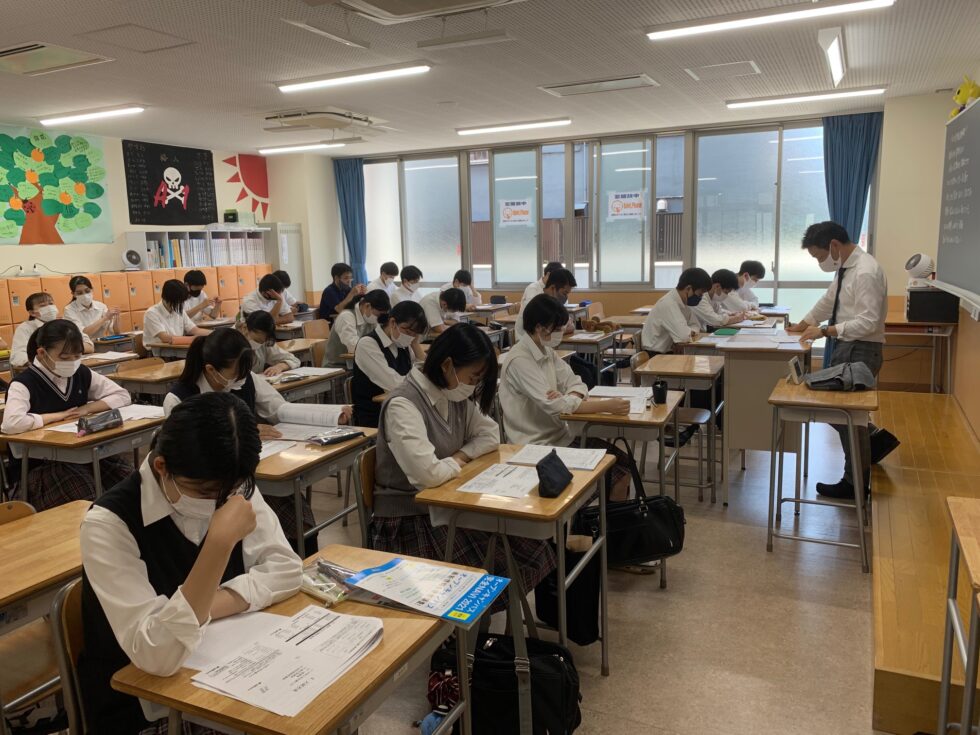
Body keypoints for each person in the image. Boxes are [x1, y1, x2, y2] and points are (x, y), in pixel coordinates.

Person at [78, 392, 302, 734]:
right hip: (142, 707)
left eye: (232, 491)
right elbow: (157, 654)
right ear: (162, 467)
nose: (219, 503)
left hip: (225, 671)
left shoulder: (228, 482)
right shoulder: (108, 524)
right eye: (205, 493)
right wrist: (218, 545)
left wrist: (201, 609)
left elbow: (286, 569)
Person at [371, 323, 555, 598]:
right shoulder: (403, 404)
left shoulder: (452, 392)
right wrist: (456, 463)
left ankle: (485, 623)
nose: (475, 385)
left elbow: (490, 434)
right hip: (410, 520)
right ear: (447, 365)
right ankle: (471, 623)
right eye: (474, 376)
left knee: (534, 549)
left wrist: (458, 456)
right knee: (503, 568)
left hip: (448, 504)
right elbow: (428, 475)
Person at [163, 329, 351, 545]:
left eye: (245, 372)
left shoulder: (245, 379)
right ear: (211, 370)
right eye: (236, 373)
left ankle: (301, 555)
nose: (241, 379)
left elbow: (278, 408)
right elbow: (186, 457)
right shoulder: (179, 399)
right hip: (212, 488)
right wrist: (242, 432)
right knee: (265, 530)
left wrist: (330, 414)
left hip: (258, 471)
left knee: (301, 523)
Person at [785, 221, 897, 498]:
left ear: (834, 245)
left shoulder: (866, 272)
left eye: (820, 256)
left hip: (862, 350)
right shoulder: (846, 268)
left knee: (847, 416)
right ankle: (872, 442)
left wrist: (825, 330)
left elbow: (869, 322)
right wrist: (803, 324)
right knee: (844, 415)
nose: (820, 262)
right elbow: (828, 301)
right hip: (848, 347)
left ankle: (854, 483)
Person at [500, 294, 634, 500]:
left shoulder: (546, 351)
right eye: (557, 327)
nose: (561, 332)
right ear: (540, 328)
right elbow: (555, 406)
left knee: (626, 462)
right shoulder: (520, 360)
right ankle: (594, 517)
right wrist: (606, 406)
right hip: (536, 446)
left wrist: (568, 397)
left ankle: (600, 515)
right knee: (618, 475)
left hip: (562, 436)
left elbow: (577, 382)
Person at [2, 319, 131, 509]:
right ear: (42, 353)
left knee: (131, 483)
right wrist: (57, 416)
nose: (71, 363)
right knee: (89, 499)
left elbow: (122, 395)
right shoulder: (24, 383)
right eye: (64, 357)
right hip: (41, 468)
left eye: (77, 356)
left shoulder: (80, 373)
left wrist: (86, 409)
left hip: (83, 454)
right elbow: (12, 424)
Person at [351, 301, 428, 427]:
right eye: (409, 332)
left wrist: (415, 344)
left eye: (416, 334)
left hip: (403, 408)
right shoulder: (368, 344)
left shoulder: (403, 343)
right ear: (392, 323)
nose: (411, 337)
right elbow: (395, 384)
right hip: (376, 415)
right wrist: (422, 381)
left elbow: (427, 371)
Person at [12, 292, 93, 367]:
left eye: (51, 304)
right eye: (43, 305)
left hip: (70, 366)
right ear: (32, 313)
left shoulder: (65, 324)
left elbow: (89, 346)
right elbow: (18, 357)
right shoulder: (25, 328)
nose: (49, 308)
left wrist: (64, 349)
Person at [640, 268, 710, 354]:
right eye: (700, 294)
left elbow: (695, 325)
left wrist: (685, 335)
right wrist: (684, 336)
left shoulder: (683, 302)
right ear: (688, 289)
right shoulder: (668, 304)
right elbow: (684, 337)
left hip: (669, 352)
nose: (700, 297)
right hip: (655, 355)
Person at [324, 289, 391, 367]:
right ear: (367, 306)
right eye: (378, 315)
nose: (378, 318)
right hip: (337, 366)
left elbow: (381, 339)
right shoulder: (346, 316)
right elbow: (353, 347)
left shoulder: (371, 318)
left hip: (358, 365)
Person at [143, 281, 211, 356]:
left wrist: (215, 333)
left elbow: (195, 330)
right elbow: (165, 338)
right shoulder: (152, 313)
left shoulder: (179, 310)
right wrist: (194, 339)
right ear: (169, 298)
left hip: (177, 349)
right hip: (159, 355)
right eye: (179, 301)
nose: (181, 304)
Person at [514, 268, 576, 342]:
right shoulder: (538, 300)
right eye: (564, 293)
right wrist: (562, 329)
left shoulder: (554, 301)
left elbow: (570, 325)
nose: (566, 297)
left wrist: (561, 329)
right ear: (553, 288)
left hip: (543, 341)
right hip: (526, 341)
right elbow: (548, 331)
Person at [237, 310, 300, 376]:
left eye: (261, 342)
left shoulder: (265, 341)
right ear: (244, 328)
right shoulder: (231, 341)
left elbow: (294, 360)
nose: (258, 345)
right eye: (256, 340)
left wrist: (279, 367)